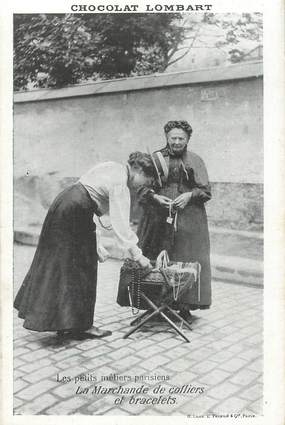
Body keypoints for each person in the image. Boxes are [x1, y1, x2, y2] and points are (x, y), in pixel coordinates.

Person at [14, 152, 155, 339]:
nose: (142, 185)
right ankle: (81, 326)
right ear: (137, 169)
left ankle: (66, 323)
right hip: (74, 211)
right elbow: (121, 225)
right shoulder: (120, 182)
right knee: (82, 267)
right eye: (145, 179)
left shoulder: (111, 166)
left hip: (64, 205)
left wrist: (95, 238)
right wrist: (139, 256)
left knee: (64, 266)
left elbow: (89, 200)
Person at [137, 121, 212, 324]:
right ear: (167, 137)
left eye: (181, 138)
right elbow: (141, 188)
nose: (177, 142)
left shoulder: (195, 160)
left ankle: (184, 306)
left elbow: (206, 191)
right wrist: (154, 197)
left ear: (188, 139)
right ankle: (154, 305)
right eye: (173, 138)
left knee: (186, 257)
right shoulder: (155, 159)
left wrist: (189, 195)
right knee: (155, 257)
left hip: (188, 219)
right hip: (157, 219)